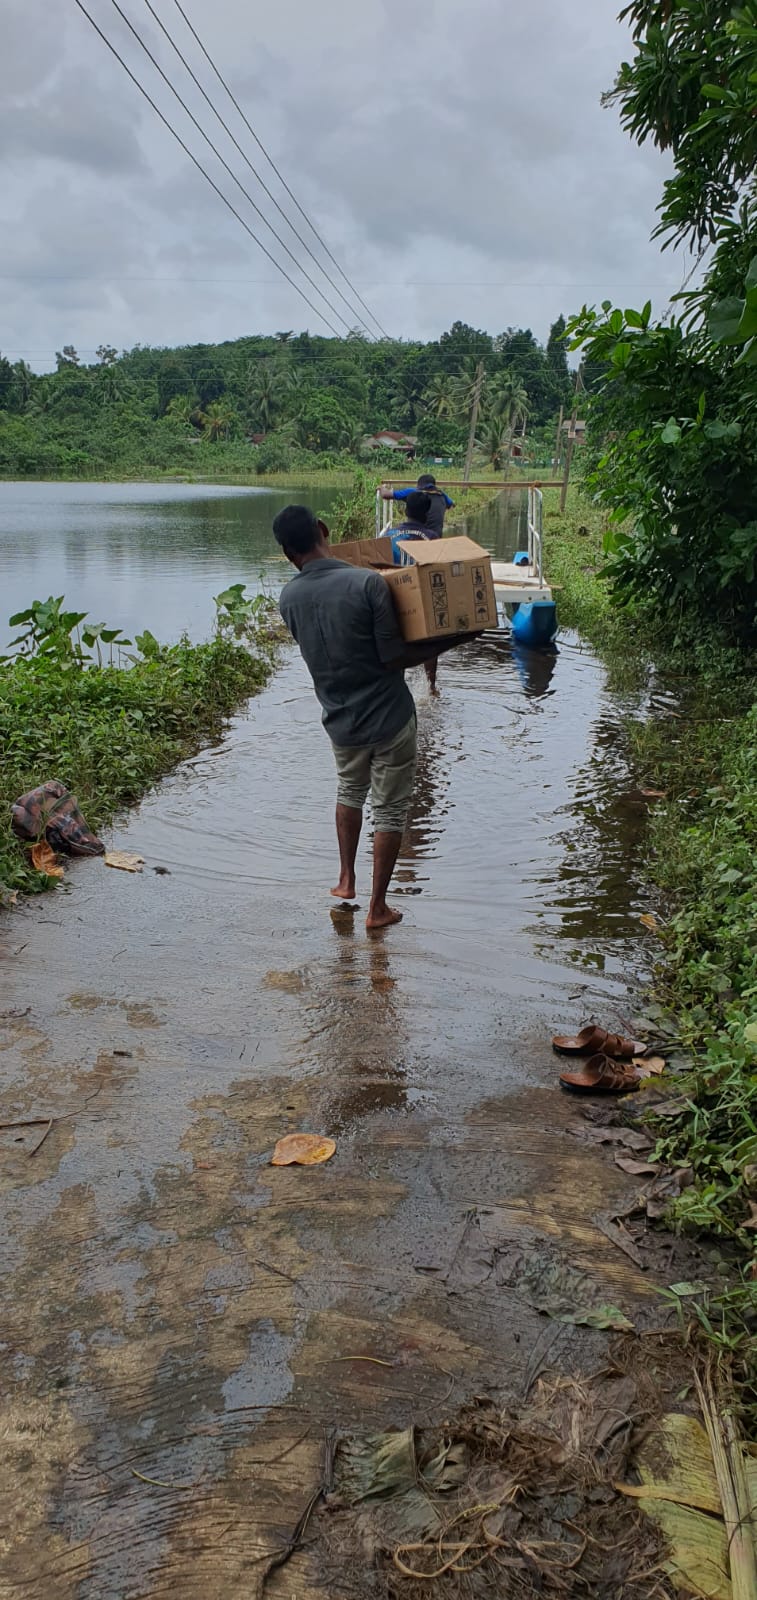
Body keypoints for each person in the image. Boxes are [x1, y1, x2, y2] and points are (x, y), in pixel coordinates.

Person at [274, 505, 476, 930]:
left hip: (339, 719)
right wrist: (455, 639)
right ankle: (377, 908)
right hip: (389, 716)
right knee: (390, 810)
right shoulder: (366, 583)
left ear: (287, 553)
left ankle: (346, 880)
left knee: (349, 790)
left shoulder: (288, 597)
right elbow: (391, 657)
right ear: (323, 531)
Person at [381, 473, 454, 536]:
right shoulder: (442, 495)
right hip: (436, 538)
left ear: (419, 485)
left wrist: (381, 488)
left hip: (416, 536)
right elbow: (451, 504)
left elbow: (385, 495)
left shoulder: (414, 492)